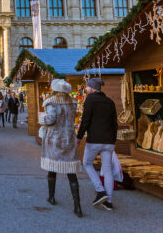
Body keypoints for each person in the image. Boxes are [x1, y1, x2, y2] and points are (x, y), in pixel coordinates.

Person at [40, 79, 83, 218]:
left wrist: (43, 119)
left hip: (55, 138)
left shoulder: (51, 102)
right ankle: (77, 206)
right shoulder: (73, 102)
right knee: (71, 173)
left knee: (52, 169)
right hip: (68, 138)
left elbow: (51, 118)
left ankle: (51, 197)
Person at [77, 77, 118, 211]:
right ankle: (109, 202)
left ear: (93, 88)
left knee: (87, 164)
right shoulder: (110, 102)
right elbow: (114, 124)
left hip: (94, 140)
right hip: (109, 141)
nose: (86, 88)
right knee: (107, 170)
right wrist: (113, 140)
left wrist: (79, 137)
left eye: (87, 87)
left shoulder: (90, 100)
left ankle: (100, 191)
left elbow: (85, 120)